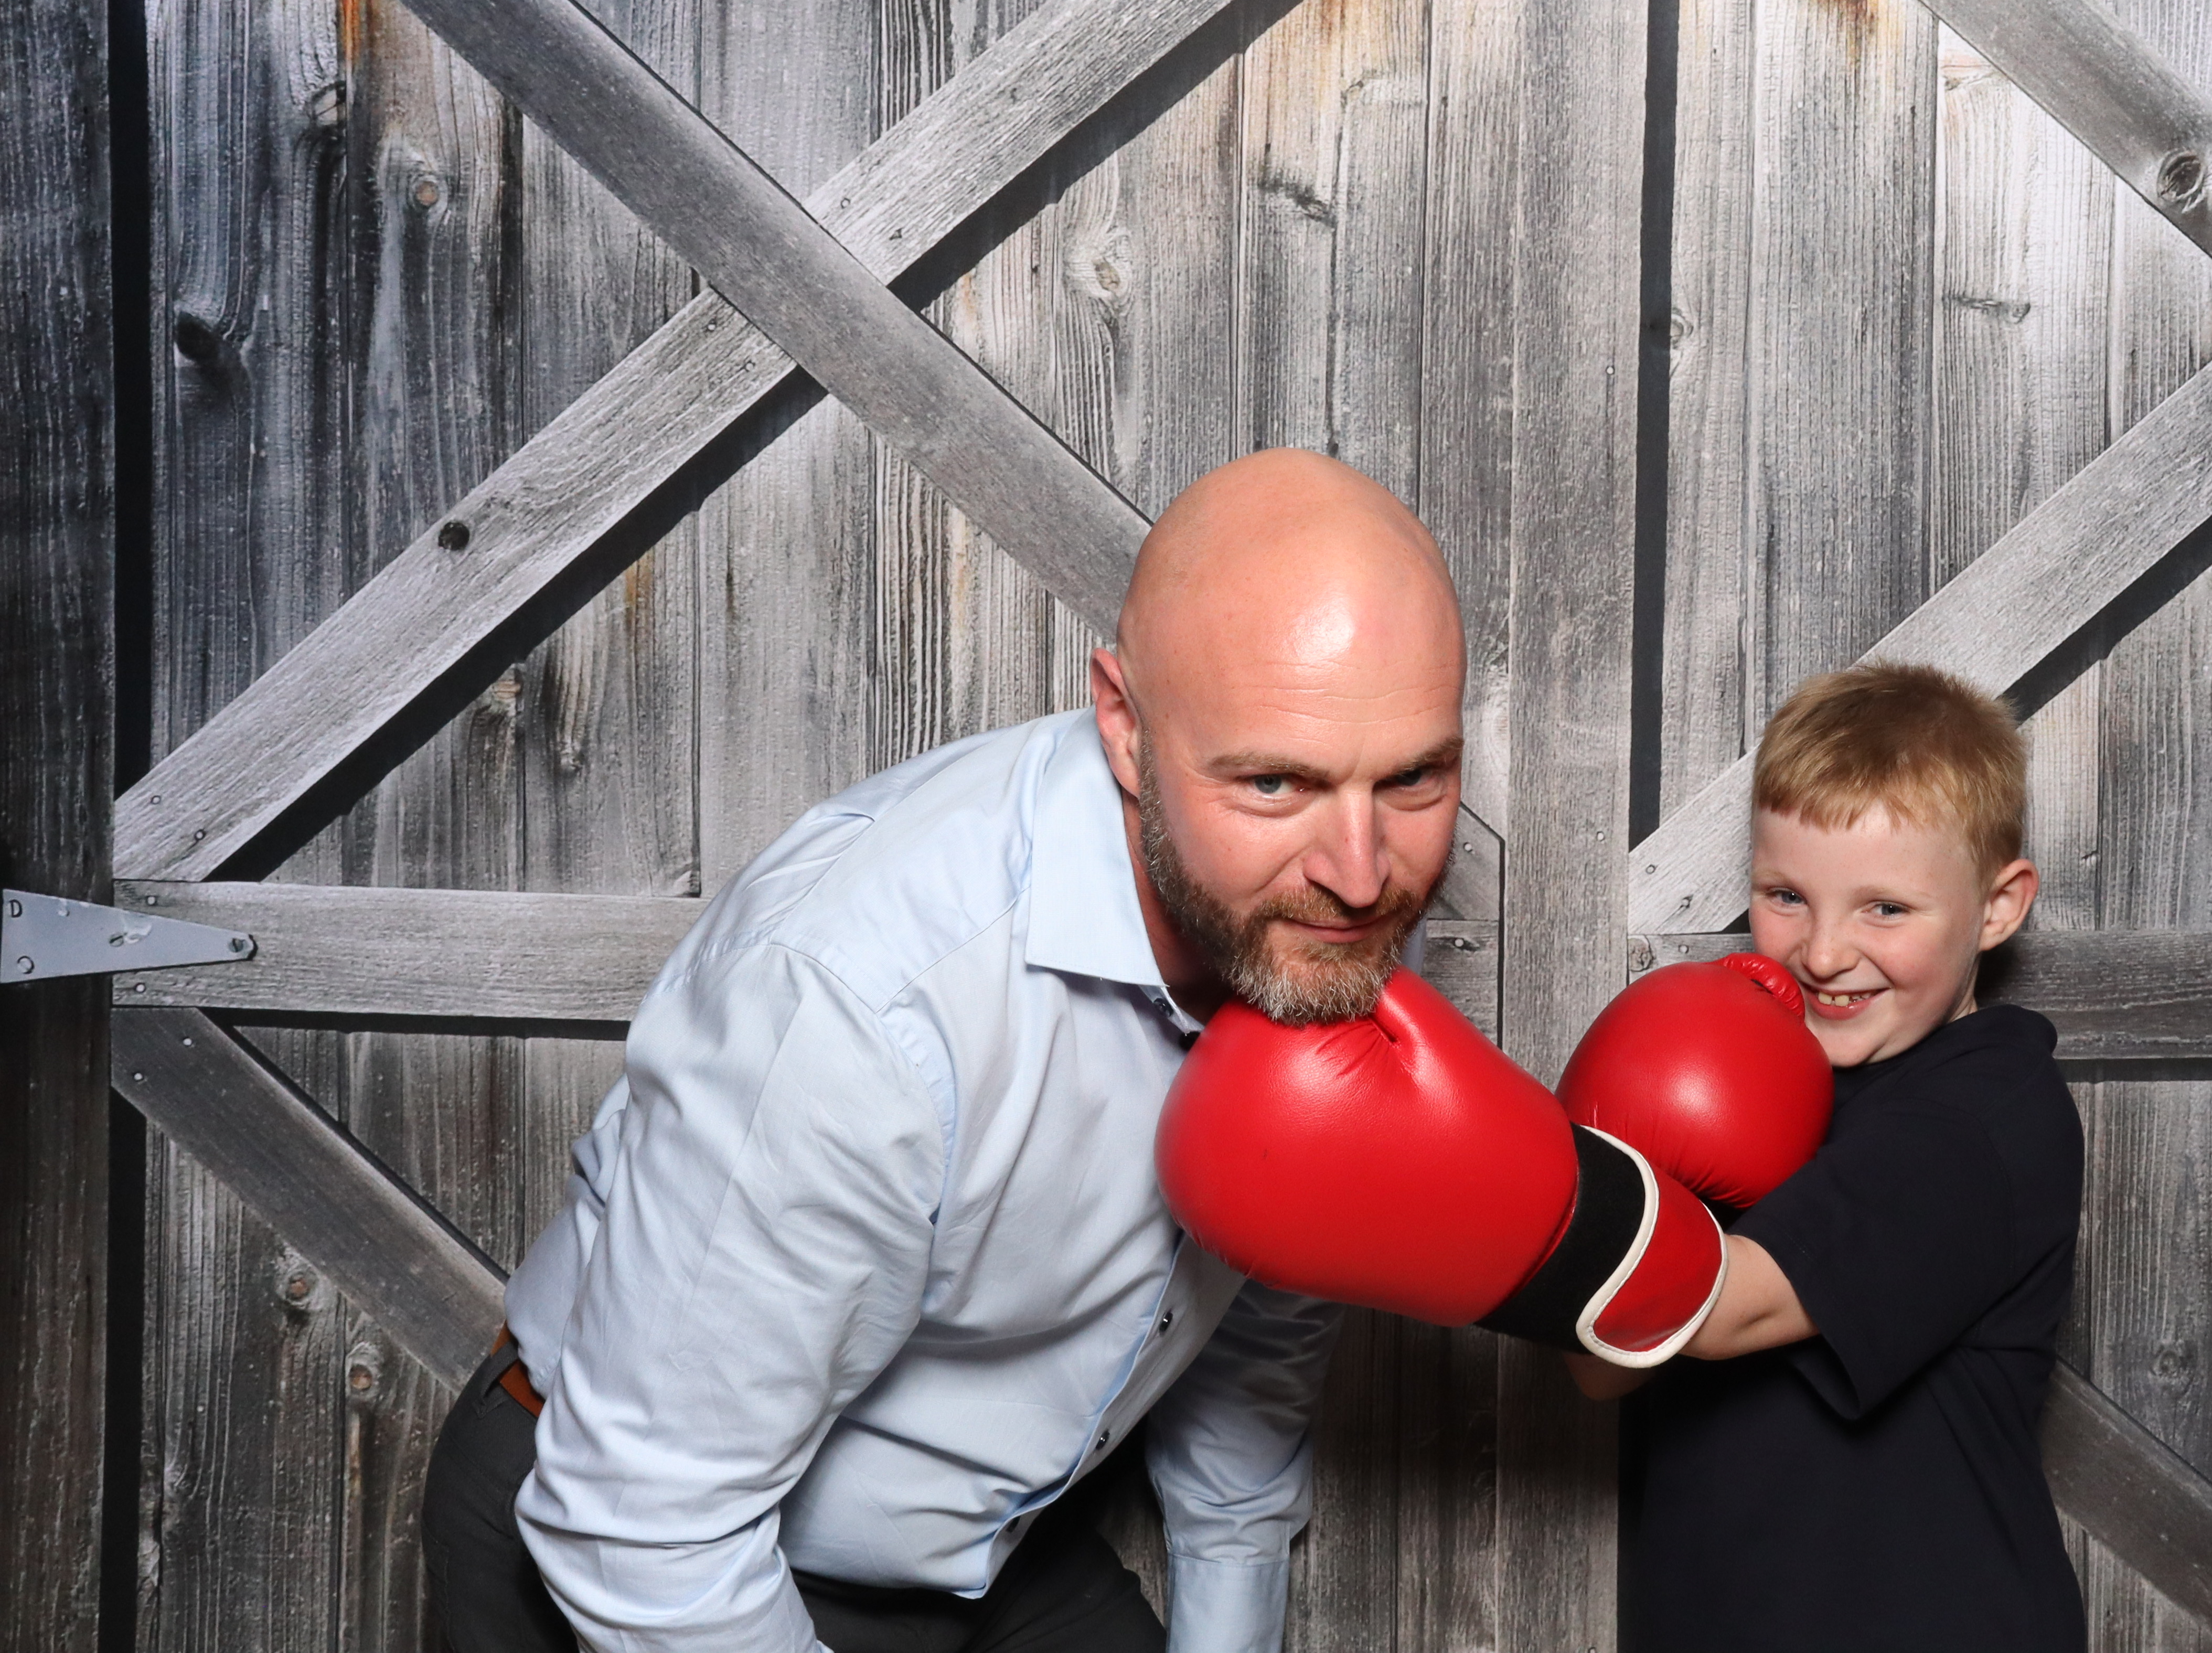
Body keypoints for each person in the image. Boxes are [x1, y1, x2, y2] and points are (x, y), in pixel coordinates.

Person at [420, 450, 1474, 1653]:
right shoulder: (865, 998)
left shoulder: (1322, 902)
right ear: (1128, 728)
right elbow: (642, 1525)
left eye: (1416, 775)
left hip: (982, 1546)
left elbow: (1260, 1301)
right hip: (637, 1540)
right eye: (1276, 781)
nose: (1361, 866)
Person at [1591, 661, 2086, 1653]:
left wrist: (1481, 1147)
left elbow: (1721, 1311)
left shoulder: (1990, 1114)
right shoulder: (1742, 1081)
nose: (1821, 953)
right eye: (1786, 895)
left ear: (1998, 908)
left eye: (1886, 909)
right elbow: (1601, 1364)